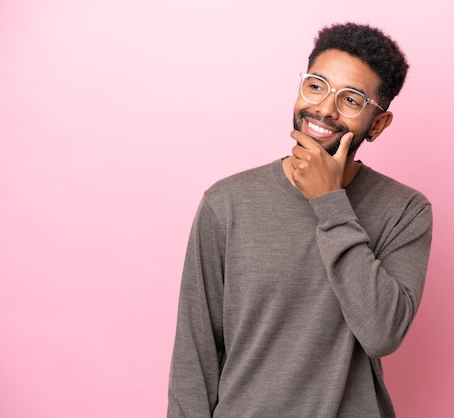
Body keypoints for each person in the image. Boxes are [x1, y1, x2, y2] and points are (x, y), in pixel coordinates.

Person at [167, 22, 433, 418]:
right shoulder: (226, 204)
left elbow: (382, 333)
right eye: (316, 86)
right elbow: (196, 354)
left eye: (351, 99)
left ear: (377, 124)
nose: (325, 108)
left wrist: (330, 201)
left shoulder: (406, 211)